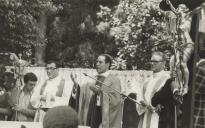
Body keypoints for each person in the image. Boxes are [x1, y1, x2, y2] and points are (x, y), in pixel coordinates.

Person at [69, 54, 122, 128]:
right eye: (97, 62)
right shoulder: (92, 78)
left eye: (100, 62)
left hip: (103, 119)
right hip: (90, 118)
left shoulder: (114, 80)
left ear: (107, 64)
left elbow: (116, 101)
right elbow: (81, 95)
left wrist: (100, 93)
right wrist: (75, 85)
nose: (97, 64)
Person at [137, 51, 180, 128]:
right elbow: (140, 97)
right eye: (151, 61)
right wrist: (142, 103)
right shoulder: (147, 81)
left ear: (163, 63)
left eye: (155, 61)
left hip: (159, 118)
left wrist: (158, 106)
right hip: (146, 115)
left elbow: (169, 99)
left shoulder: (167, 79)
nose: (152, 63)